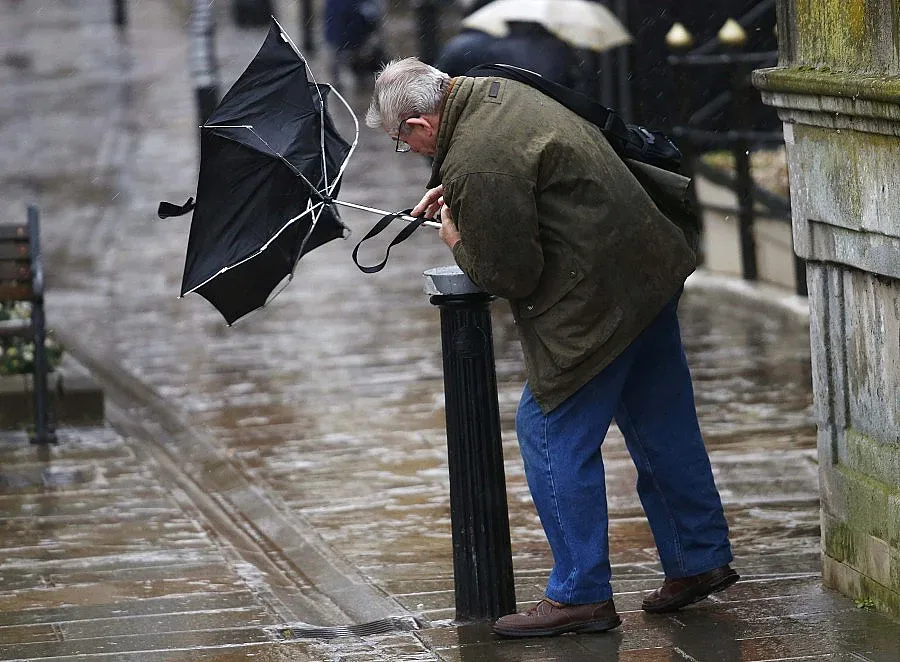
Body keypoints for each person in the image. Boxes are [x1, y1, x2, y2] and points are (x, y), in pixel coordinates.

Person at [365, 57, 738, 639]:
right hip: (646, 268)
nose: (407, 152)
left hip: (594, 302)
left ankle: (580, 594)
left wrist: (460, 236)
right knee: (661, 423)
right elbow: (524, 178)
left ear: (419, 125)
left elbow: (509, 272)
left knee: (546, 430)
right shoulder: (496, 91)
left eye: (400, 142)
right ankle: (699, 557)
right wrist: (468, 199)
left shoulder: (475, 159)